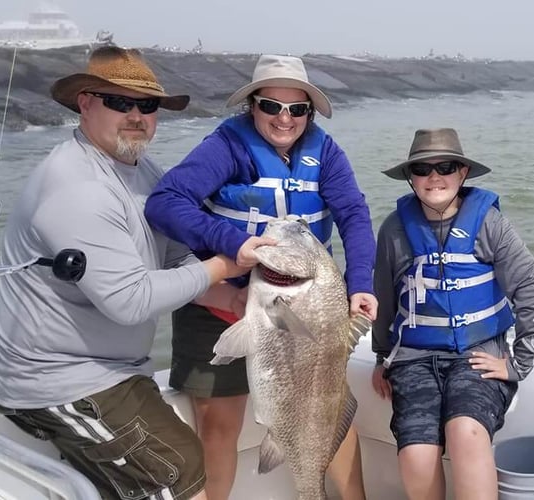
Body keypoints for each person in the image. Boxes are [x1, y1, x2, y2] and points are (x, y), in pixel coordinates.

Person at [0, 46, 249, 500]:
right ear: (85, 103)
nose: (136, 115)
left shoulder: (144, 172)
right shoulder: (77, 187)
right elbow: (130, 300)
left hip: (114, 368)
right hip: (55, 377)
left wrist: (229, 297)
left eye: (147, 105)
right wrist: (227, 264)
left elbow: (173, 258)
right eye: (119, 102)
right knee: (176, 470)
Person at [144, 54, 376, 500]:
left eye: (297, 109)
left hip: (309, 306)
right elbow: (165, 202)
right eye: (271, 106)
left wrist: (361, 282)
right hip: (218, 304)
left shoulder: (325, 152)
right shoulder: (226, 147)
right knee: (218, 425)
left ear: (310, 112)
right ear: (252, 106)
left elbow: (353, 214)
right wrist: (230, 243)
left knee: (327, 410)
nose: (284, 119)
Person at [371, 128, 534, 500]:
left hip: (479, 355)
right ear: (410, 177)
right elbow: (383, 299)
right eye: (421, 169)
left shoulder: (490, 224)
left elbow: (531, 288)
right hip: (415, 360)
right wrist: (379, 355)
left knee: (466, 432)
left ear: (463, 173)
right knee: (417, 455)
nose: (434, 177)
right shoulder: (393, 230)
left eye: (446, 166)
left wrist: (519, 363)